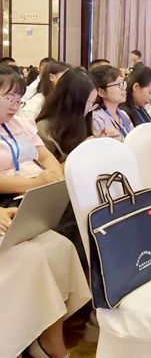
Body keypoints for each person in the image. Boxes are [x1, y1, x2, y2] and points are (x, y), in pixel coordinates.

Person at [0, 69, 90, 358]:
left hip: (31, 195)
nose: (15, 104)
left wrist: (53, 177)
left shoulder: (19, 123)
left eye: (18, 98)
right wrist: (35, 183)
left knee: (61, 246)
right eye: (8, 97)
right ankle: (37, 343)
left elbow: (45, 156)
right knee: (36, 256)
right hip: (11, 198)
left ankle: (48, 338)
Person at [36, 68, 98, 162]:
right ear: (72, 102)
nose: (90, 108)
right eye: (89, 102)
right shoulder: (44, 130)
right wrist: (82, 150)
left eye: (93, 102)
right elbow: (49, 168)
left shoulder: (84, 119)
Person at [90, 65, 134, 141]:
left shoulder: (123, 114)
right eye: (119, 84)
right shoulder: (96, 119)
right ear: (101, 92)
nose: (124, 88)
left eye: (123, 83)